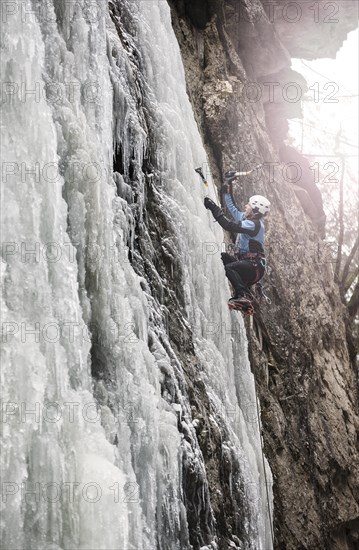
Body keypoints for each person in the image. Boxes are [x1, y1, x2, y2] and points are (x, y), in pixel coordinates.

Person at [204, 171, 270, 312]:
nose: (246, 206)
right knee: (222, 257)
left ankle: (243, 295)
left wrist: (214, 209)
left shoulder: (255, 225)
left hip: (254, 267)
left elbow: (229, 226)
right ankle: (243, 293)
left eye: (249, 205)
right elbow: (231, 206)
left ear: (255, 210)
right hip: (251, 266)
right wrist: (228, 183)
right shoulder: (247, 219)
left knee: (230, 268)